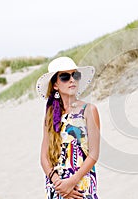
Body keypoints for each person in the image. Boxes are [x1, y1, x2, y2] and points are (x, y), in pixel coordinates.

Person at [36, 56, 100, 199]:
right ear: (55, 85)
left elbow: (94, 154)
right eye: (65, 76)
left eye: (75, 75)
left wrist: (71, 182)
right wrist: (59, 183)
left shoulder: (89, 110)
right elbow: (44, 157)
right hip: (57, 188)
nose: (72, 79)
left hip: (81, 187)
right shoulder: (50, 115)